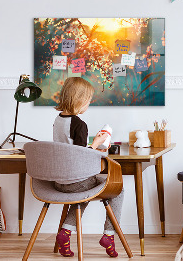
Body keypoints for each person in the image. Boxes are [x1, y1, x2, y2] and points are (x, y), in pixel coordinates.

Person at [53, 77, 123, 258]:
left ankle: (65, 233)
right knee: (118, 189)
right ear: (79, 100)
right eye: (88, 100)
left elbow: (70, 149)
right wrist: (97, 143)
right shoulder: (79, 124)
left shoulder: (58, 120)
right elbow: (81, 156)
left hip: (59, 181)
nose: (88, 104)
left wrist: (92, 145)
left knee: (83, 192)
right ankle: (109, 235)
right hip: (76, 181)